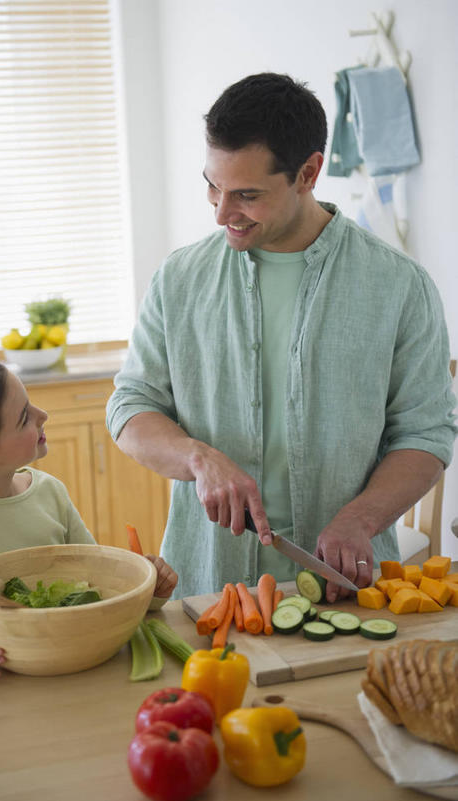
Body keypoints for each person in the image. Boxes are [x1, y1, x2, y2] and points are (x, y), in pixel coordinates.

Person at [106, 72, 456, 602]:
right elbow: (130, 407)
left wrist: (360, 518)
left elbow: (426, 434)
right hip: (206, 587)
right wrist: (198, 458)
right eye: (212, 186)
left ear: (309, 172)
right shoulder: (179, 279)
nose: (223, 213)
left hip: (347, 586)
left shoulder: (399, 286)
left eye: (247, 195)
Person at [0, 361, 177, 681]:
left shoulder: (49, 491)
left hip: (69, 670)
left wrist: (150, 593)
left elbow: (97, 589)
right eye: (25, 416)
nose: (43, 415)